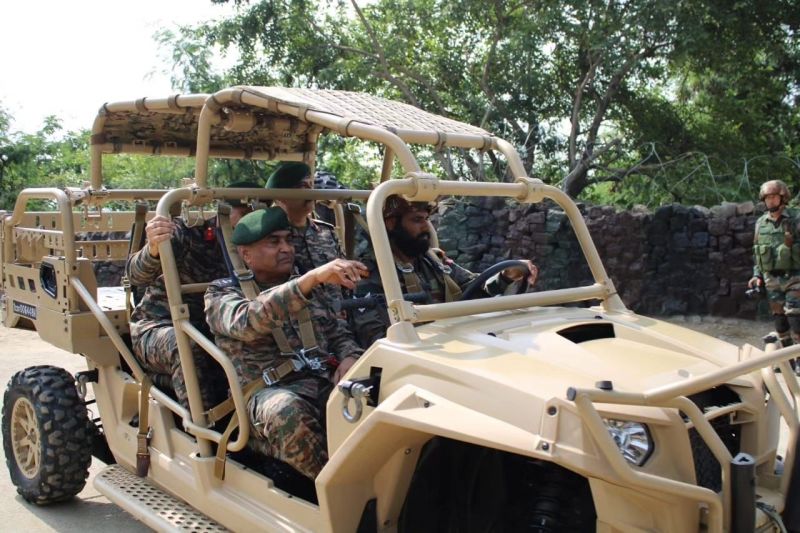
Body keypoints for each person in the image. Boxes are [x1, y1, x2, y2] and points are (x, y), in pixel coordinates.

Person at [204, 207, 368, 480]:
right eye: (273, 242)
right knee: (287, 411)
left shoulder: (306, 287)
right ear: (246, 254)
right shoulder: (221, 292)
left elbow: (338, 333)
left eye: (288, 240)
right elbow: (249, 322)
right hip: (264, 395)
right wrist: (310, 279)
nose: (286, 249)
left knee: (372, 394)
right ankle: (342, 489)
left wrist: (350, 358)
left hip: (320, 379)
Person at [127, 181, 258, 409]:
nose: (250, 221)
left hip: (219, 328)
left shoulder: (263, 244)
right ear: (223, 211)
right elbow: (135, 275)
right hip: (160, 326)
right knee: (186, 345)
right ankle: (204, 432)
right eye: (244, 212)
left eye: (256, 214)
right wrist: (153, 249)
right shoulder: (190, 234)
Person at [351, 195, 538, 348]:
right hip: (418, 359)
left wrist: (506, 275)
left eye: (426, 219)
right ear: (391, 224)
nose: (425, 227)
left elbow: (475, 289)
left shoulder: (434, 261)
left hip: (459, 346)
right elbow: (375, 339)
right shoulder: (370, 273)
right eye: (417, 220)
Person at [266, 162, 345, 305]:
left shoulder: (326, 231)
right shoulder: (271, 238)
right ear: (281, 196)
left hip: (338, 321)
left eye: (311, 185)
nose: (311, 193)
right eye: (303, 187)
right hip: (297, 323)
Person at [748, 179, 800, 355]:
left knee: (795, 314)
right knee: (780, 320)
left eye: (774, 196)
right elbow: (757, 252)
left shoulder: (796, 218)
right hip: (771, 279)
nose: (770, 200)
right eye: (767, 197)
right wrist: (757, 275)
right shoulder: (761, 223)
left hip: (795, 276)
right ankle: (788, 357)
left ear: (782, 197)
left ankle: (799, 357)